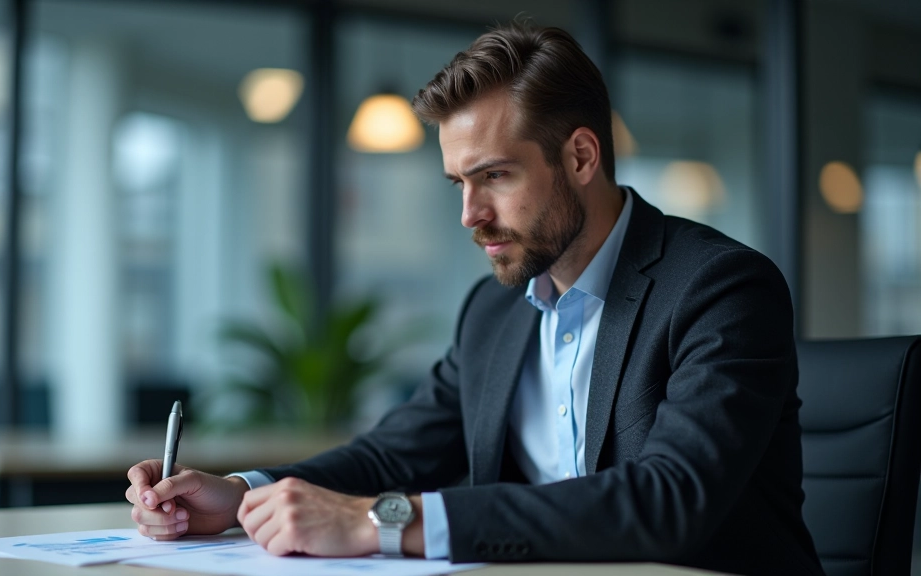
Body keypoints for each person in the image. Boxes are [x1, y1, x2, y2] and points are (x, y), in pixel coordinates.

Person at [127, 23, 823, 576]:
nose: (470, 214)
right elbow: (388, 458)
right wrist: (244, 495)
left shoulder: (721, 288)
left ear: (581, 158)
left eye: (494, 176)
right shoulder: (494, 311)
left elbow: (669, 500)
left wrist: (382, 523)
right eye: (457, 182)